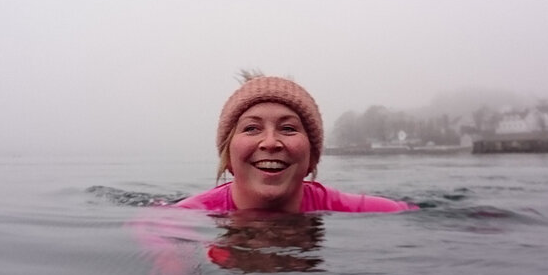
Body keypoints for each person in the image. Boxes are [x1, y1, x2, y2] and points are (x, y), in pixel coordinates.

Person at [175, 74, 418, 213]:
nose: (270, 143)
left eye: (288, 128)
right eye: (251, 128)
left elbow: (408, 213)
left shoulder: (340, 207)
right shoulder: (191, 215)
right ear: (228, 157)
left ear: (312, 158)